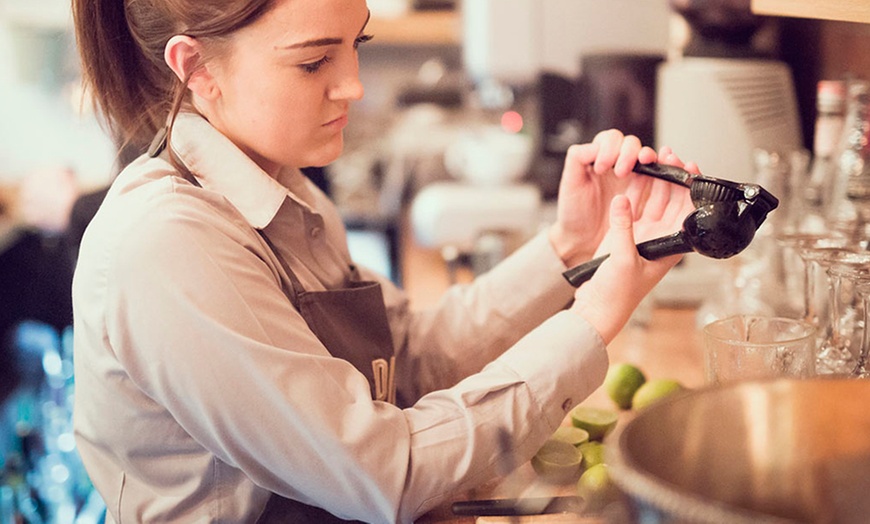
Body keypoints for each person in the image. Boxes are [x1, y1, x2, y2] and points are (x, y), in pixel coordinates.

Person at [69, 0, 697, 522]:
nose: (354, 85)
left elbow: (410, 357)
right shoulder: (170, 246)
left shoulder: (284, 190)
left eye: (355, 44)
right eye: (315, 60)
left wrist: (569, 243)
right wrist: (595, 313)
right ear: (195, 67)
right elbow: (378, 472)